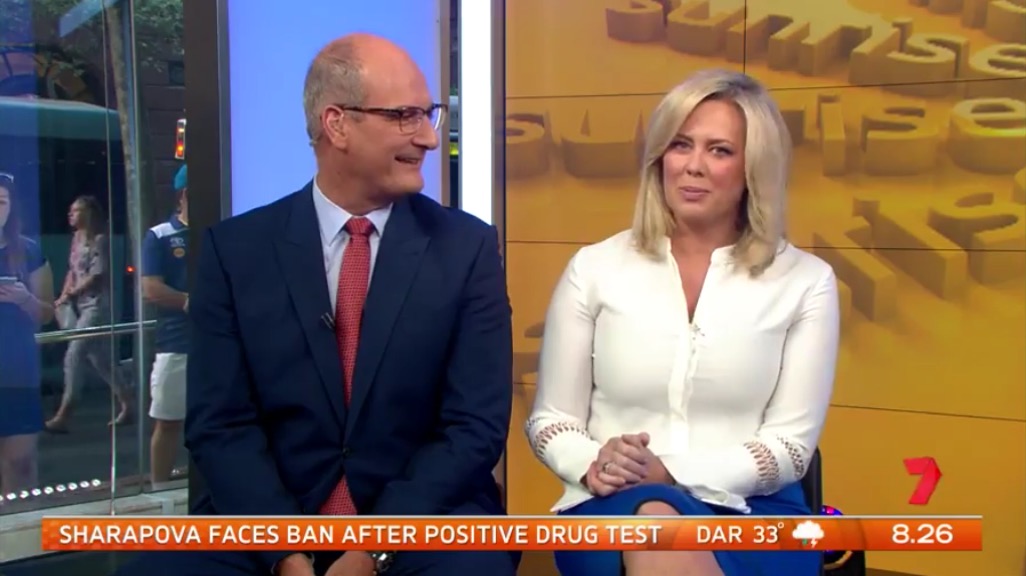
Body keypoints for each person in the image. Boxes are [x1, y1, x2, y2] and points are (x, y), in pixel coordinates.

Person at [119, 33, 515, 576]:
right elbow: (220, 425)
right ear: (337, 124)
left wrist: (374, 547)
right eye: (404, 116)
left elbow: (474, 427)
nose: (427, 137)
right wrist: (284, 552)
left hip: (420, 520)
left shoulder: (467, 249)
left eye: (428, 115)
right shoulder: (236, 252)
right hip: (267, 520)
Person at [525, 69, 840, 576]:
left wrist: (671, 472)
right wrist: (595, 464)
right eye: (680, 145)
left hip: (754, 511)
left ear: (753, 168)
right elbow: (551, 421)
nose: (693, 166)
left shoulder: (805, 282)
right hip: (614, 502)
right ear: (659, 158)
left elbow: (789, 448)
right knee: (656, 521)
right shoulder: (595, 269)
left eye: (719, 150)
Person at [47, 195, 133, 432]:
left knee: (74, 354)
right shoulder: (76, 239)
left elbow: (97, 274)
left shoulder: (100, 241)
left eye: (76, 210)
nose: (71, 215)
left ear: (89, 213)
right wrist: (64, 295)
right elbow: (72, 271)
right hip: (79, 305)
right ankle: (128, 403)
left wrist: (72, 292)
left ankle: (65, 412)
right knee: (100, 359)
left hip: (97, 306)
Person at [0, 173, 54, 493]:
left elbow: (47, 313)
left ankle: (23, 519)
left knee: (19, 462)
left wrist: (24, 299)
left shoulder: (29, 252)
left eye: (1, 202)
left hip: (18, 370)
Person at [142, 165, 190, 488]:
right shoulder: (159, 236)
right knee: (169, 421)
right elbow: (151, 288)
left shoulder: (222, 230)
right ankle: (159, 489)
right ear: (184, 194)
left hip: (220, 344)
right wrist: (189, 301)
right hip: (176, 344)